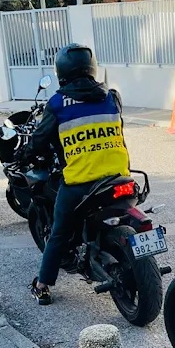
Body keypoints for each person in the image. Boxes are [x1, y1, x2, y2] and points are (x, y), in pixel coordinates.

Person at [26, 43, 129, 306]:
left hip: (81, 183)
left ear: (61, 71)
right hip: (120, 177)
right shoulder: (111, 96)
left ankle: (42, 285)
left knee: (59, 233)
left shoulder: (58, 103)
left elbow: (39, 141)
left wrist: (26, 153)